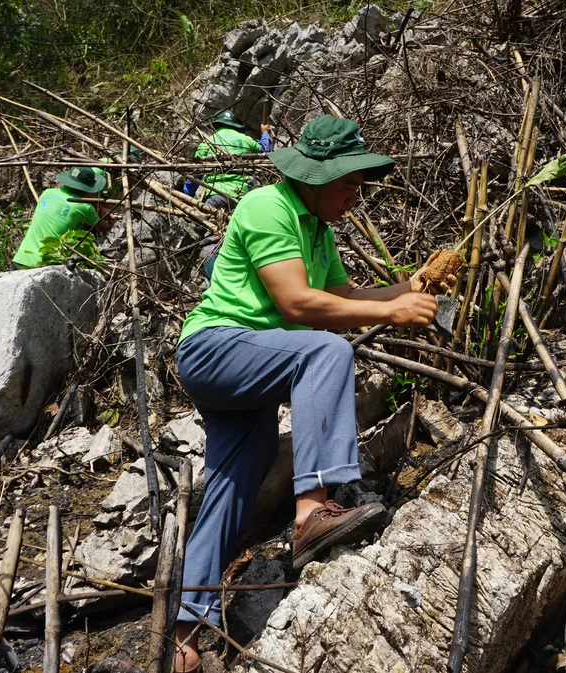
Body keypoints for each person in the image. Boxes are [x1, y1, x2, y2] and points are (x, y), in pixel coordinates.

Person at [171, 115, 452, 673]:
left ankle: (183, 632)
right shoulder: (265, 207)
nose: (355, 196)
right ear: (317, 178)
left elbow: (344, 293)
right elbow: (300, 306)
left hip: (248, 369)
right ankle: (309, 513)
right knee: (326, 352)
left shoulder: (318, 230)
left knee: (236, 475)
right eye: (348, 184)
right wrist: (389, 313)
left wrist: (411, 287)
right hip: (214, 348)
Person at [11, 166, 111, 269]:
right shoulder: (83, 207)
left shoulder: (47, 193)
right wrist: (96, 205)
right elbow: (104, 228)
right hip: (43, 265)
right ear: (88, 188)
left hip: (20, 259)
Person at [184, 109, 273, 209]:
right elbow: (265, 151)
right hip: (241, 197)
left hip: (215, 195)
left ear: (215, 124)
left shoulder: (207, 143)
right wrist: (265, 133)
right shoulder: (245, 139)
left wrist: (186, 195)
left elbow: (195, 175)